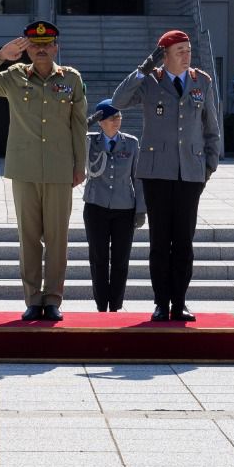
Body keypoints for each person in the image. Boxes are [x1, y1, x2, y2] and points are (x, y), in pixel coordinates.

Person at [0, 20, 88, 321]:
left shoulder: (70, 79)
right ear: (27, 50)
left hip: (60, 170)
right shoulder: (13, 76)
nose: (41, 50)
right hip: (24, 169)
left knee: (58, 238)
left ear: (56, 47)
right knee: (29, 238)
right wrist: (1, 56)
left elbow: (79, 124)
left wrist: (80, 165)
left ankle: (54, 299)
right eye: (35, 45)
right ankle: (33, 299)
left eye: (47, 45)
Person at [114, 29, 220, 322]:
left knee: (184, 241)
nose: (186, 56)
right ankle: (161, 302)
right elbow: (118, 100)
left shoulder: (202, 82)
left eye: (188, 50)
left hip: (191, 172)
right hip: (157, 172)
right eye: (180, 51)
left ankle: (180, 302)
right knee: (160, 241)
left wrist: (209, 165)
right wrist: (142, 70)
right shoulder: (151, 81)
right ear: (165, 56)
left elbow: (211, 127)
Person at [84, 99, 146, 313]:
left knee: (120, 260)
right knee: (98, 258)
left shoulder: (131, 143)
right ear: (101, 122)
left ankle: (116, 305)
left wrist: (141, 209)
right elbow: (68, 137)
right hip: (96, 206)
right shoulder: (89, 142)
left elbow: (138, 178)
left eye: (119, 117)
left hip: (124, 208)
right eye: (111, 118)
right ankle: (102, 305)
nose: (116, 121)